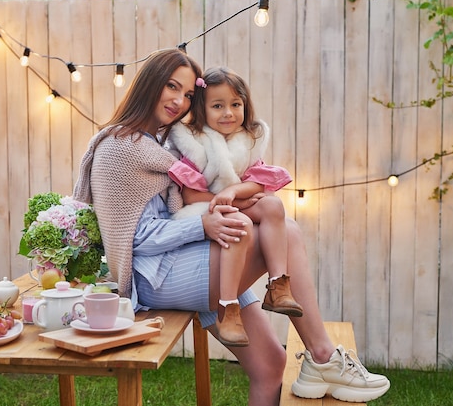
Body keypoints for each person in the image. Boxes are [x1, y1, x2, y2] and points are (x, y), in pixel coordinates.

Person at [73, 48, 390, 405]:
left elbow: (202, 197)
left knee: (271, 364)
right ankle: (322, 355)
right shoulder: (120, 147)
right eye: (171, 87)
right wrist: (205, 226)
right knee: (286, 231)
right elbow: (135, 240)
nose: (179, 100)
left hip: (188, 260)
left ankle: (318, 355)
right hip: (152, 278)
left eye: (189, 94)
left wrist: (240, 201)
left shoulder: (165, 142)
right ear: (150, 84)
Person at [166, 67, 303, 328]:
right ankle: (227, 307)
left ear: (245, 105)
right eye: (218, 106)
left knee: (273, 205)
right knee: (237, 222)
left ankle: (278, 285)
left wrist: (233, 192)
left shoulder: (248, 141)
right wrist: (233, 202)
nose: (228, 113)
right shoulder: (195, 143)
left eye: (235, 104)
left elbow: (258, 182)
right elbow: (190, 193)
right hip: (206, 209)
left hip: (237, 201)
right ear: (202, 110)